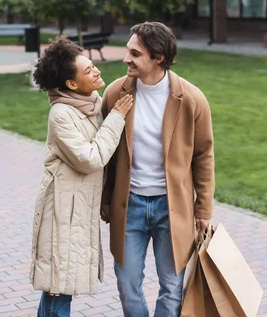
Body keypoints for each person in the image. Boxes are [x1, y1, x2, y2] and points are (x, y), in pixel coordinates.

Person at [101, 22, 215, 317]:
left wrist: (203, 209)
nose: (126, 59)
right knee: (127, 285)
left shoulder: (191, 99)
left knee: (172, 286)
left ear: (158, 57)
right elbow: (106, 153)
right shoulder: (116, 93)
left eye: (135, 54)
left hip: (172, 208)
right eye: (128, 51)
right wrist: (104, 201)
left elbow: (203, 155)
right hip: (129, 207)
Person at [29, 37, 134, 317]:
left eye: (93, 65)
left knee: (58, 283)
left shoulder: (91, 103)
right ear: (72, 85)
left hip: (78, 207)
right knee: (59, 285)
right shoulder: (61, 114)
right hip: (62, 210)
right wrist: (117, 118)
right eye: (88, 71)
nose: (97, 71)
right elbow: (91, 159)